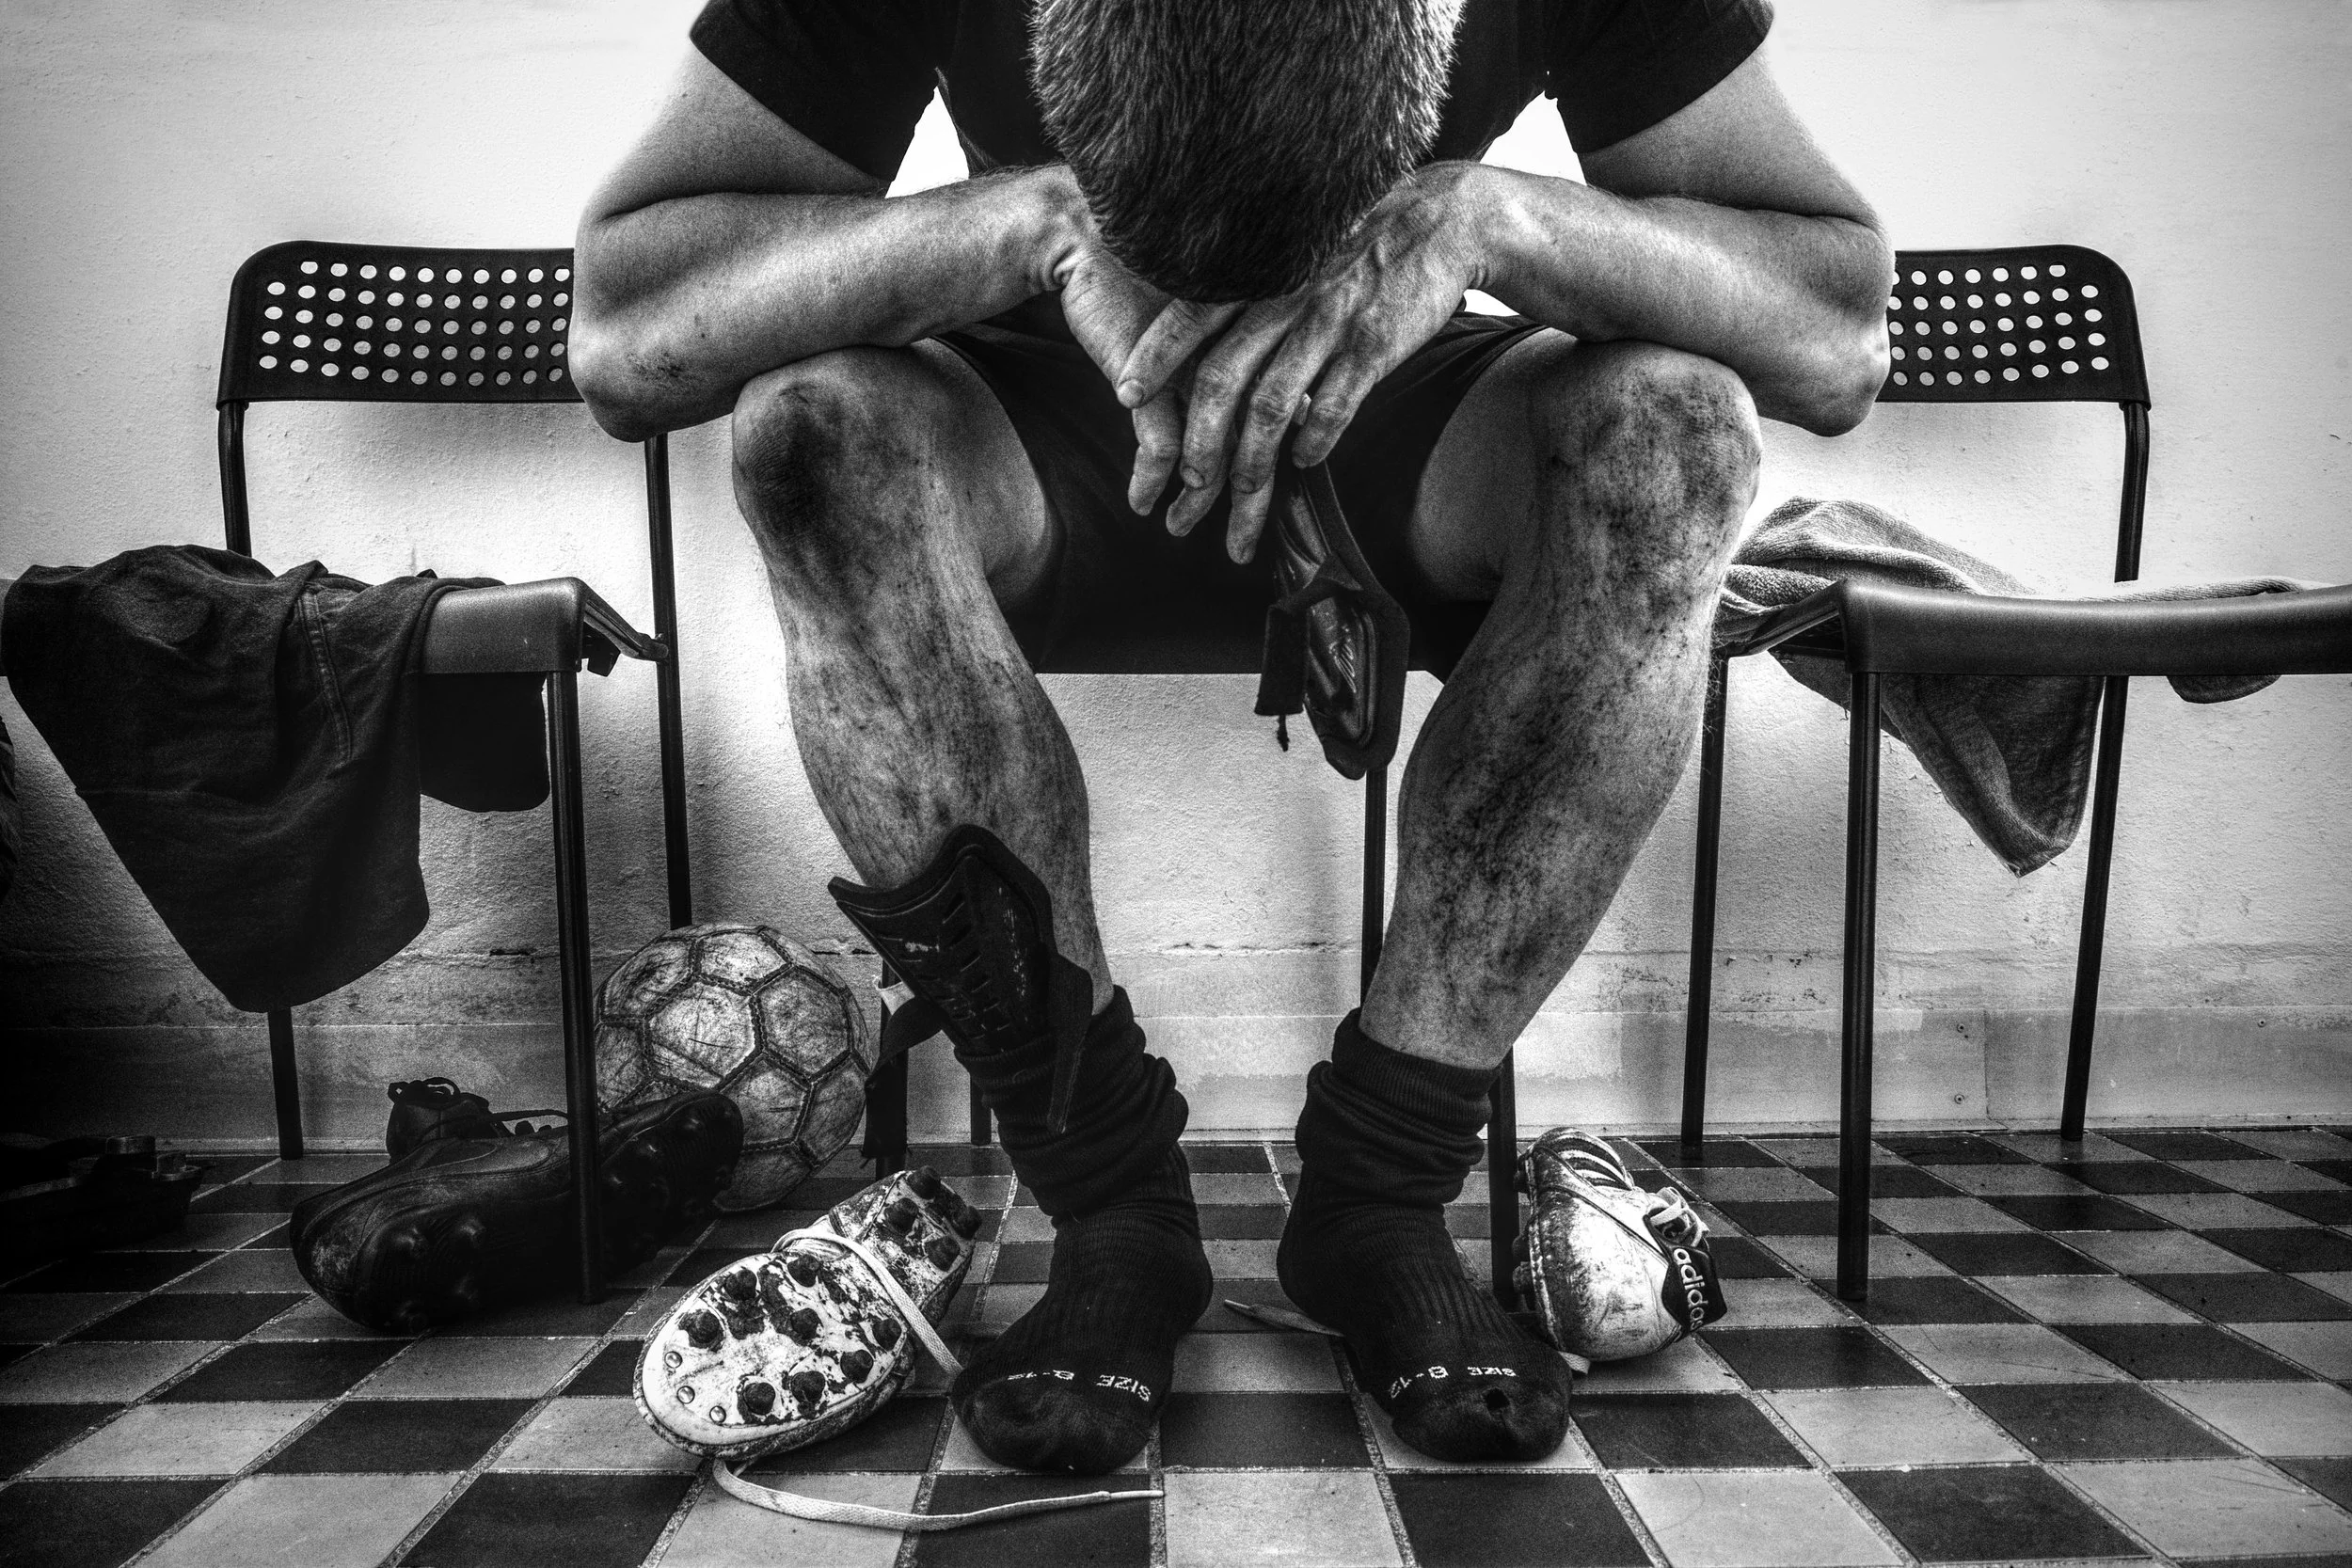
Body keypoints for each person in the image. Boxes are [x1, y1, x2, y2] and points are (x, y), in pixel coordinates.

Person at [573, 0, 1890, 1475]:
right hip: (1046, 409)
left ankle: (1380, 1196)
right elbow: (626, 333)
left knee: (1679, 435)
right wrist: (1035, 226)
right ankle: (1114, 1204)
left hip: (1397, 406)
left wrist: (1484, 220)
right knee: (812, 433)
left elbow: (1835, 338)